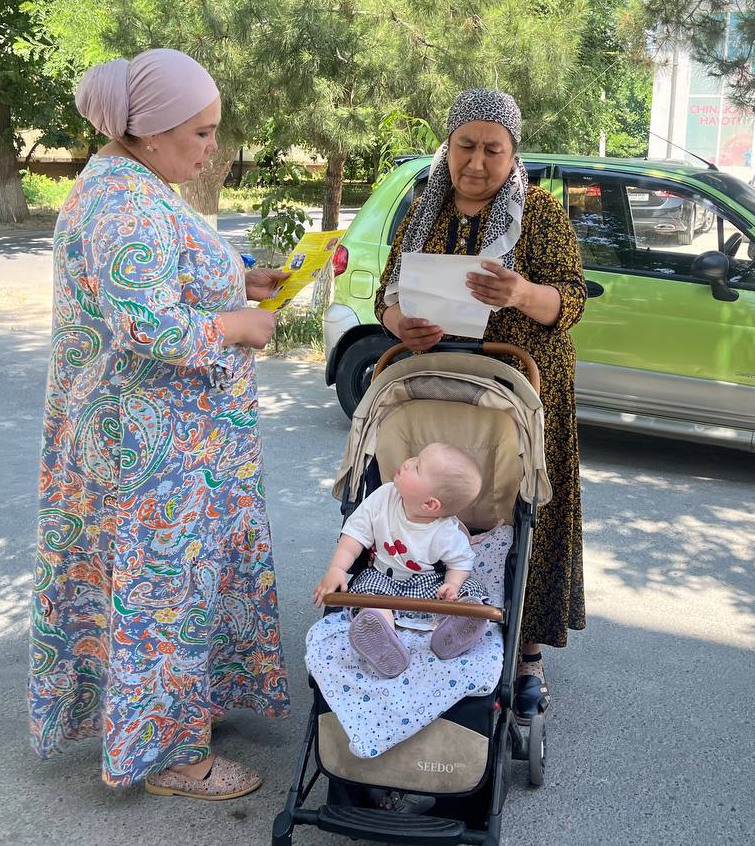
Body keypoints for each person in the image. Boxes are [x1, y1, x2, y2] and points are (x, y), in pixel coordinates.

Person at [30, 48, 289, 801]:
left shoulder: (134, 183)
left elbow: (162, 275)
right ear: (148, 132)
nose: (213, 147)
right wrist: (237, 326)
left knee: (171, 593)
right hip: (149, 454)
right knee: (161, 598)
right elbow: (147, 324)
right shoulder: (125, 201)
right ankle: (175, 759)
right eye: (200, 133)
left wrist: (241, 279)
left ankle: (177, 716)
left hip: (164, 444)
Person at [375, 88, 586, 722]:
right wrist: (399, 324)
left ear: (513, 152)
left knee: (525, 511)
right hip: (439, 388)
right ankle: (424, 621)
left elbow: (571, 301)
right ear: (448, 146)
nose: (477, 161)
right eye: (465, 145)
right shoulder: (425, 209)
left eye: (493, 149)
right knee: (437, 505)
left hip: (523, 388)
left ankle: (526, 655)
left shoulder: (540, 212)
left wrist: (521, 292)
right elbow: (388, 294)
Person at [312, 443, 488, 678]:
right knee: (368, 596)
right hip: (384, 577)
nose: (407, 462)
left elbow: (460, 562)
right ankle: (381, 639)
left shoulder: (446, 531)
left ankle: (452, 633)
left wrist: (452, 584)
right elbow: (354, 536)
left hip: (430, 583)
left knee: (471, 589)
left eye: (417, 467)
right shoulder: (383, 498)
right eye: (414, 458)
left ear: (430, 504)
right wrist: (337, 569)